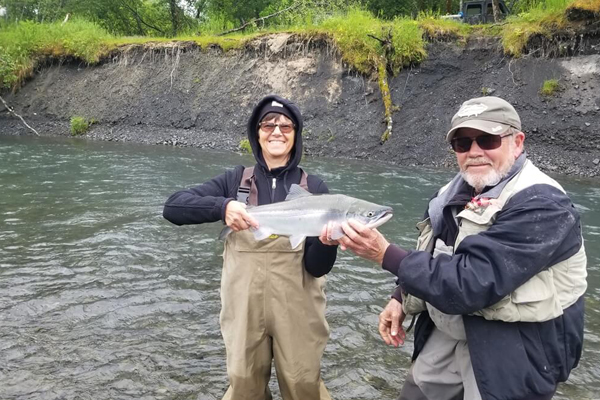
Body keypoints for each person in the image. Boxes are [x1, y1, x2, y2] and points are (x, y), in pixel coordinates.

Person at [320, 96, 587, 400]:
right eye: (463, 144)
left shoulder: (544, 205)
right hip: (450, 330)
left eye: (487, 140)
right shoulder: (448, 195)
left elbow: (471, 282)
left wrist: (384, 254)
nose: (475, 152)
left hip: (516, 347)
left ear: (517, 142)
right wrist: (399, 297)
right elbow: (432, 253)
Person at [163, 95, 337, 400]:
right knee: (244, 385)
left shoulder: (315, 189)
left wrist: (328, 242)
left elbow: (317, 267)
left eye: (286, 125)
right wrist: (223, 207)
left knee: (303, 384)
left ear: (296, 135)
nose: (277, 131)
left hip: (298, 311)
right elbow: (173, 207)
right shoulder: (234, 181)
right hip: (243, 310)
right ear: (257, 134)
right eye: (268, 124)